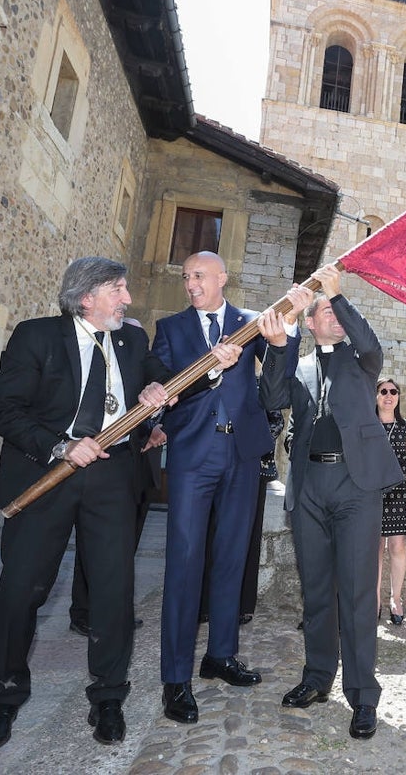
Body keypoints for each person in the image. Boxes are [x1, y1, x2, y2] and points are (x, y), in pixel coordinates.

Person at [0, 257, 174, 751]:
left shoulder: (132, 339)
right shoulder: (36, 336)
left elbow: (160, 378)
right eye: (118, 290)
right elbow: (2, 410)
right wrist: (61, 445)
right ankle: (5, 695)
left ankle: (108, 696)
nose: (128, 299)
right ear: (86, 296)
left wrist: (160, 391)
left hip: (112, 478)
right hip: (46, 474)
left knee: (112, 590)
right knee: (22, 588)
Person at [257, 264, 402, 740]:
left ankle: (362, 697)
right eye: (325, 313)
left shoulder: (361, 363)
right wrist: (281, 344)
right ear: (311, 322)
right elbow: (273, 397)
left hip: (355, 486)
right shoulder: (296, 361)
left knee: (359, 595)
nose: (334, 320)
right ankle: (317, 679)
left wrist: (337, 297)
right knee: (317, 592)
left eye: (336, 313)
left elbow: (371, 345)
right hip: (310, 486)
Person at [149, 251, 272, 725]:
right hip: (192, 457)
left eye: (199, 276)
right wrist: (210, 368)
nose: (191, 284)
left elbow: (277, 379)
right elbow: (160, 388)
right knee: (184, 561)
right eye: (185, 277)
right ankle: (175, 678)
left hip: (242, 455)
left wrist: (283, 341)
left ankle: (220, 655)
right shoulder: (171, 329)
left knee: (231, 557)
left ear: (223, 277)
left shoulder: (250, 323)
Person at [68, 317, 166, 636]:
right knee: (92, 544)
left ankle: (113, 608)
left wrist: (158, 430)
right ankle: (84, 611)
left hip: (140, 467)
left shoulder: (141, 364)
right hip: (106, 462)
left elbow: (156, 404)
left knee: (125, 544)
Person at [375, 378, 406, 626]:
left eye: (393, 391)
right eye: (383, 391)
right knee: (375, 550)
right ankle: (374, 601)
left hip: (400, 492)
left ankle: (396, 598)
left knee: (398, 546)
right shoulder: (368, 423)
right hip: (372, 492)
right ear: (376, 396)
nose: (388, 395)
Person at [238, 401, 285, 625]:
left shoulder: (264, 383)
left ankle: (244, 605)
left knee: (251, 535)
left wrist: (249, 442)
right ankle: (207, 603)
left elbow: (277, 422)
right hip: (225, 464)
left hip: (256, 467)